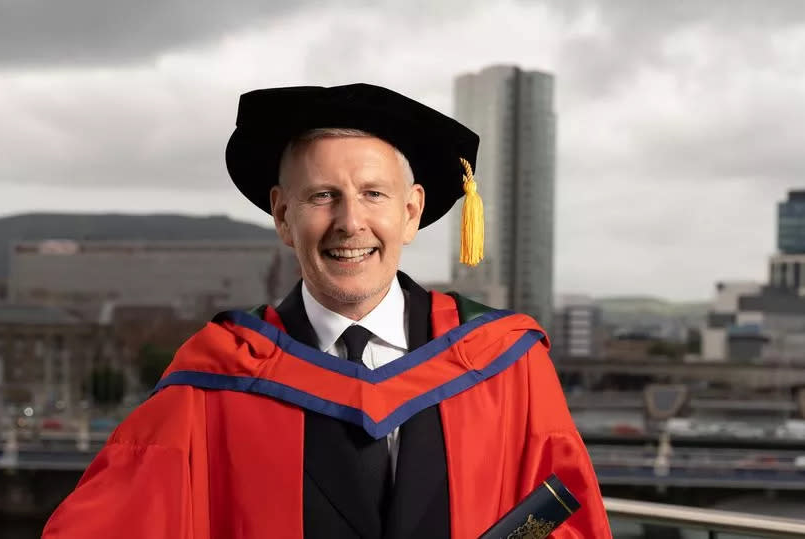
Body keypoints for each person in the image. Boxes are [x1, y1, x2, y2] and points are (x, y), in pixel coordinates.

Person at [42, 84, 611, 538]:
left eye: (373, 194)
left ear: (412, 213)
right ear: (282, 215)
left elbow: (570, 522)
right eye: (321, 196)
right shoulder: (216, 380)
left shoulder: (502, 361)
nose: (349, 222)